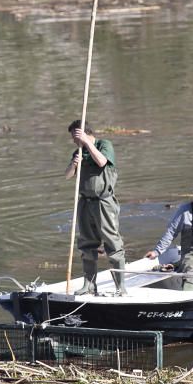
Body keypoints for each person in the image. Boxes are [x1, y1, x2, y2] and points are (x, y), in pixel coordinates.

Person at [65, 119, 127, 296]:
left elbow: (101, 162)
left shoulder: (103, 145)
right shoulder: (78, 151)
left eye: (75, 136)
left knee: (112, 243)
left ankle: (120, 287)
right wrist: (74, 164)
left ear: (85, 133)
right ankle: (89, 285)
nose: (74, 141)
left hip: (103, 202)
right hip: (85, 202)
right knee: (86, 244)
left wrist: (86, 142)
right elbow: (68, 176)